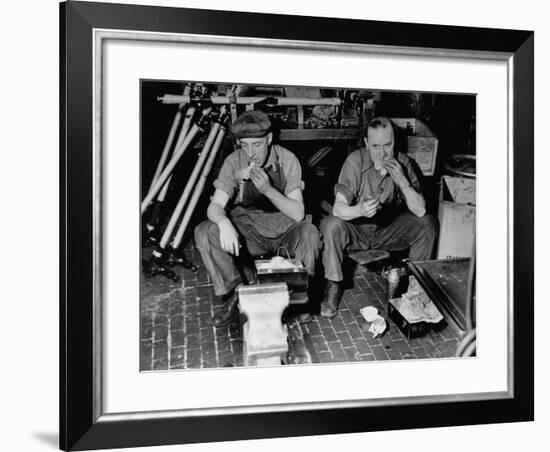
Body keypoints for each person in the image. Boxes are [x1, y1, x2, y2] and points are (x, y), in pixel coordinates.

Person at [194, 110, 320, 326]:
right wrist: (224, 222)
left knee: (309, 232)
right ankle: (237, 294)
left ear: (269, 139)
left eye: (257, 145)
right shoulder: (233, 162)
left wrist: (268, 189)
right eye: (245, 145)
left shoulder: (287, 159)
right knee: (205, 231)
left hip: (283, 233)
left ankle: (297, 301)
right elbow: (215, 206)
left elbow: (298, 213)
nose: (251, 153)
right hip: (248, 234)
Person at [319, 116, 438, 317]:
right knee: (330, 225)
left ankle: (416, 290)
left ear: (395, 142)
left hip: (389, 231)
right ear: (366, 143)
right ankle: (333, 287)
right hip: (357, 231)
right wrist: (359, 210)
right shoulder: (355, 161)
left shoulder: (404, 163)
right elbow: (338, 209)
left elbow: (420, 211)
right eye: (375, 146)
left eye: (387, 145)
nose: (382, 153)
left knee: (428, 224)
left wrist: (401, 179)